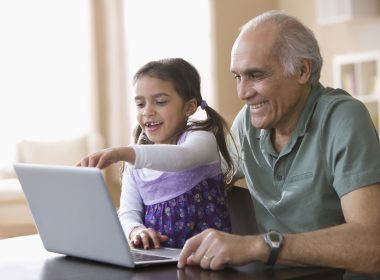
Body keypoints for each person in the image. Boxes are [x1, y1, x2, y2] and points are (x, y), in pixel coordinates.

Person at [177, 10, 380, 274]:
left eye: (256, 75)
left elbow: (372, 245)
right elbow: (203, 182)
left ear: (302, 70)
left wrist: (258, 246)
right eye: (237, 76)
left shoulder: (343, 118)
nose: (242, 93)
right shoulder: (248, 123)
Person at [78, 58, 234, 249]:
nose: (147, 111)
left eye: (160, 102)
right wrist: (136, 230)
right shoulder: (135, 161)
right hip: (158, 261)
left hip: (209, 259)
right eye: (140, 104)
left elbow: (181, 158)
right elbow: (128, 212)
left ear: (189, 107)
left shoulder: (202, 140)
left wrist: (125, 153)